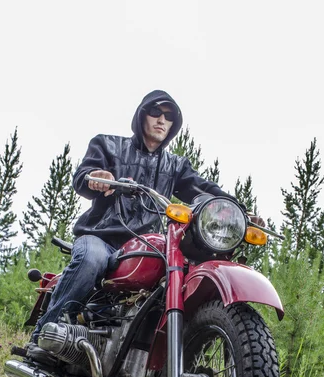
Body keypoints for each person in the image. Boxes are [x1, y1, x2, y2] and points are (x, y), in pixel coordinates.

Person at [31, 90, 242, 343]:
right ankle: (46, 332)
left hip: (144, 247)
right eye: (155, 112)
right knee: (92, 259)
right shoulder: (107, 145)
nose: (161, 120)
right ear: (142, 115)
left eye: (169, 116)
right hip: (101, 236)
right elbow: (82, 176)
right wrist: (97, 177)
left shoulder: (175, 166)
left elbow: (204, 189)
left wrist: (236, 209)